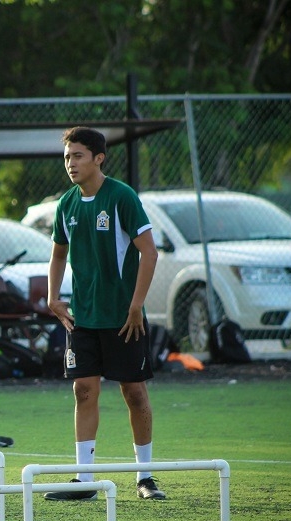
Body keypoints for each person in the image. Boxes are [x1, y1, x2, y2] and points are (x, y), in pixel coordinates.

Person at [43, 127, 166, 501]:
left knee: (134, 393)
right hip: (83, 317)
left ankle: (145, 477)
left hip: (123, 318)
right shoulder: (66, 204)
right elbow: (58, 254)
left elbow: (149, 251)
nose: (70, 164)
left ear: (99, 158)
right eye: (66, 157)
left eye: (77, 155)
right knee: (83, 390)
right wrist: (53, 297)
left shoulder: (121, 197)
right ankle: (85, 480)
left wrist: (135, 305)